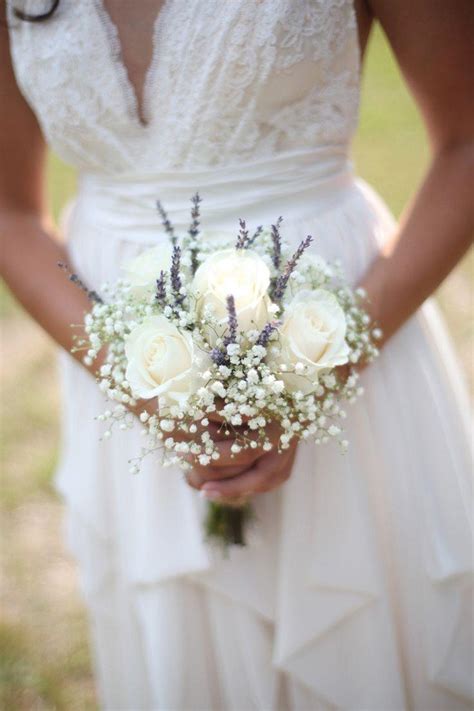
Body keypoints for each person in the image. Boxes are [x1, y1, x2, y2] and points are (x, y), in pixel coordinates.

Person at [1, 0, 473, 708]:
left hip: (347, 341)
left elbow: (466, 140)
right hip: (122, 363)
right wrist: (137, 375)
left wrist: (320, 366)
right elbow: (7, 207)